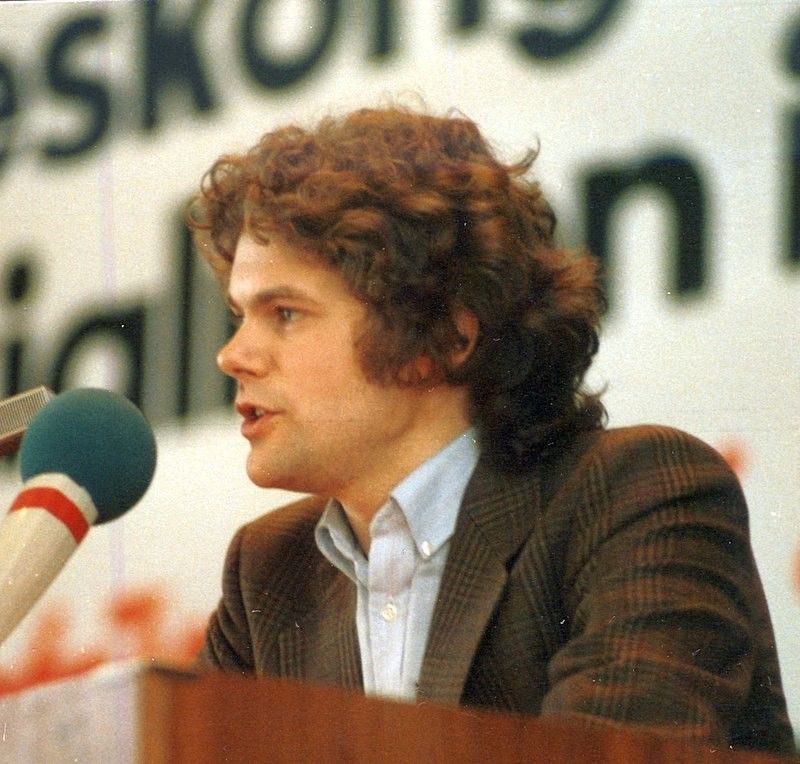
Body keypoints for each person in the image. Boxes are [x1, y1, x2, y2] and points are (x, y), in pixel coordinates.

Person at [188, 105, 794, 754]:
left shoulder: (635, 496)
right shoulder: (269, 572)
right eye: (238, 315)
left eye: (284, 313)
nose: (232, 356)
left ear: (447, 337)